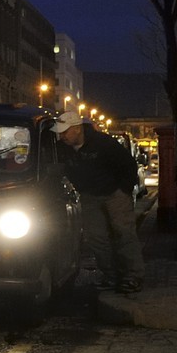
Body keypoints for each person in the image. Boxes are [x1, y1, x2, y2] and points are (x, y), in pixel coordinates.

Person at [52, 109, 145, 294]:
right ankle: (111, 276)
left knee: (124, 233)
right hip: (89, 195)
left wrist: (123, 190)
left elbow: (128, 164)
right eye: (60, 132)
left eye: (65, 132)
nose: (61, 136)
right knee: (96, 238)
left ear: (77, 129)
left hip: (114, 194)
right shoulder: (65, 148)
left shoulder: (103, 143)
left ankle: (132, 277)